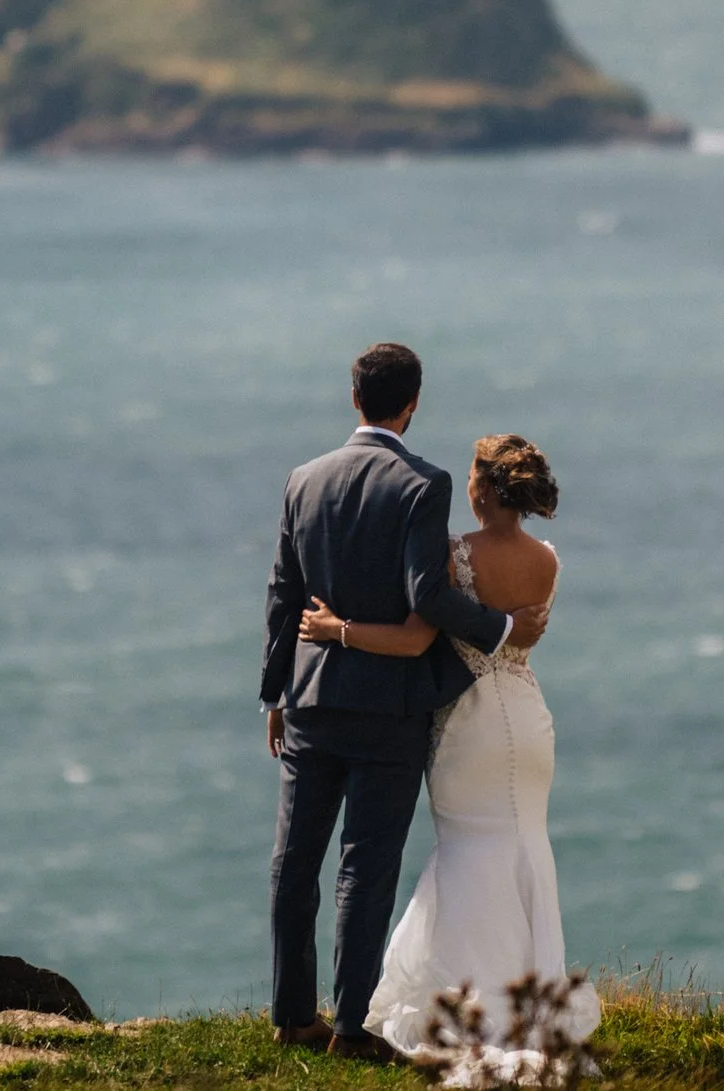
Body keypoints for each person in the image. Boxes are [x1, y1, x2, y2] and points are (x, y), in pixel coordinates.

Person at [261, 344, 550, 1062]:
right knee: (366, 863)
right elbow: (428, 596)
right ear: (412, 402)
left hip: (308, 699)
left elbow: (282, 594)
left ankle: (294, 1016)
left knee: (294, 862)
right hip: (388, 709)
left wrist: (274, 690)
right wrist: (506, 630)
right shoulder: (424, 481)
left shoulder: (304, 478)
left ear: (353, 396)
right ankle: (351, 1027)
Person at [298, 431, 602, 1078]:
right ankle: (530, 1000)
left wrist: (336, 630)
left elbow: (413, 641)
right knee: (524, 846)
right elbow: (519, 639)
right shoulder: (546, 558)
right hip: (528, 718)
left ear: (485, 489)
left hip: (469, 723)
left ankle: (472, 1003)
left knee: (467, 850)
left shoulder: (453, 553)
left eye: (471, 475)